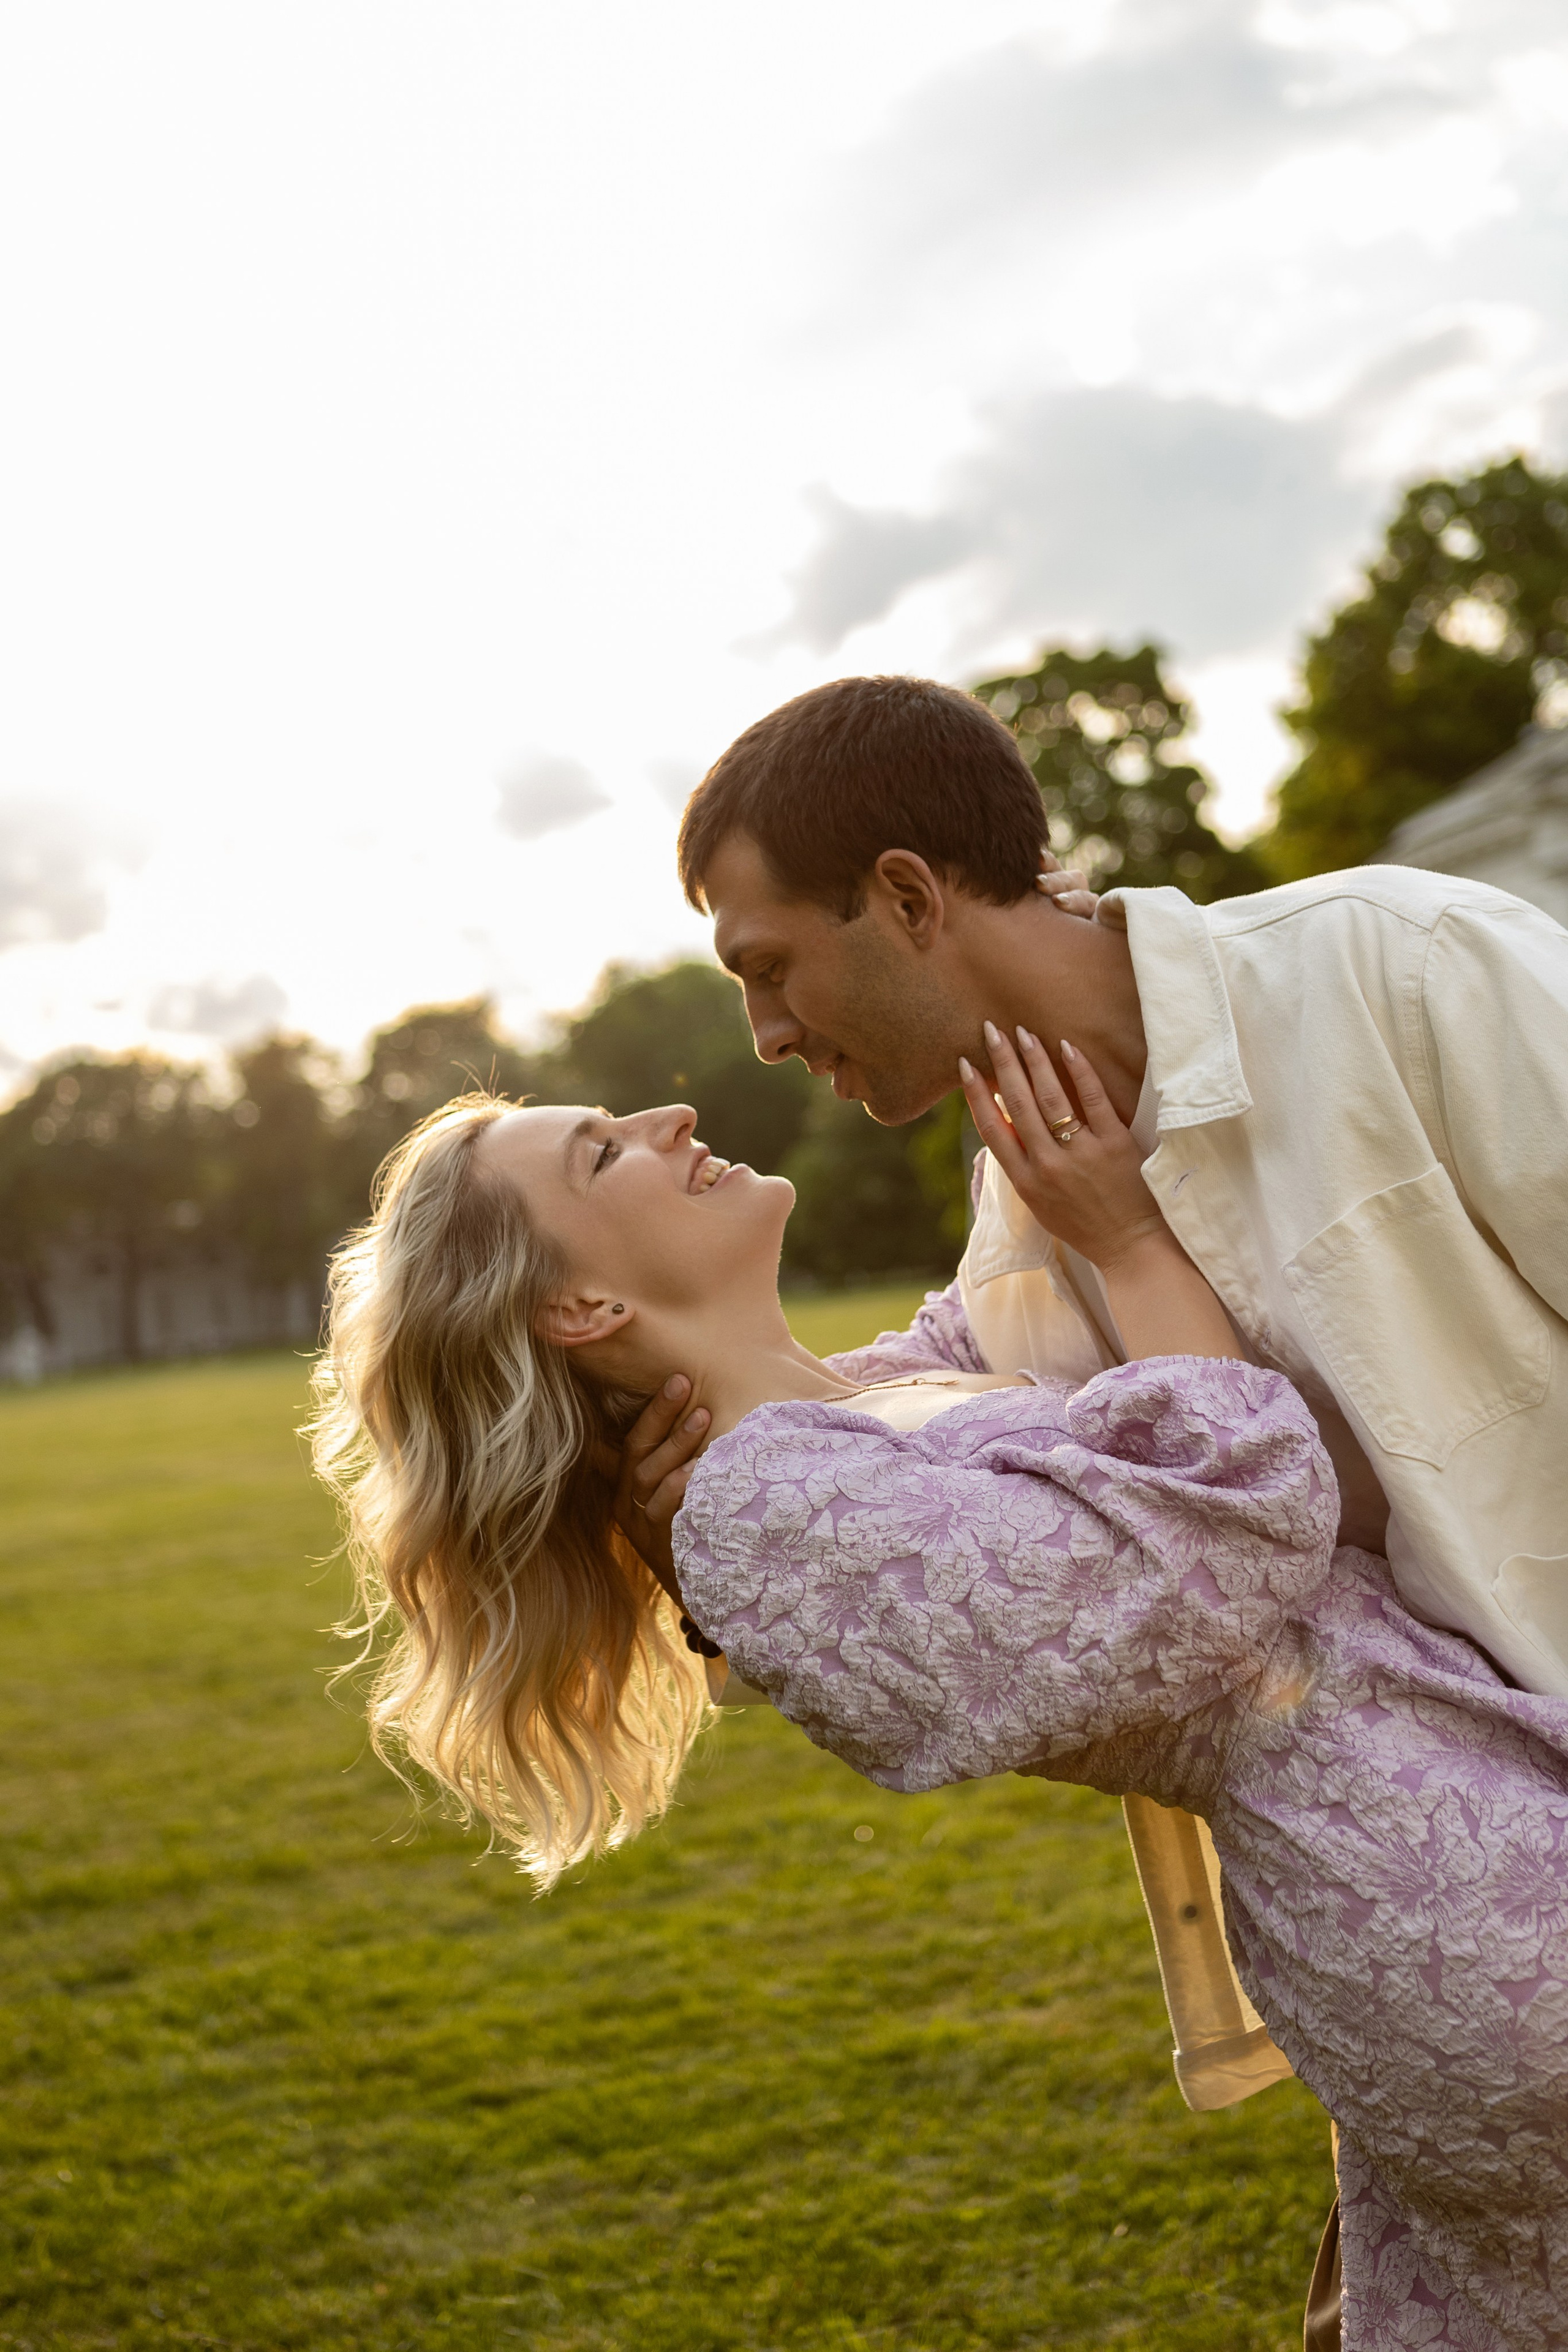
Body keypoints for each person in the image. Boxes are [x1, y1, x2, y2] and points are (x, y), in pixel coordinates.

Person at [309, 1061, 1568, 2350]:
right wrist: (1127, 1237)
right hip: (1444, 1890)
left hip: (1444, 1812)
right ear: (579, 1302)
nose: (668, 1117)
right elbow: (1239, 1521)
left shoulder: (836, 1412)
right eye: (602, 1153)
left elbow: (1006, 1303)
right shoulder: (765, 1510)